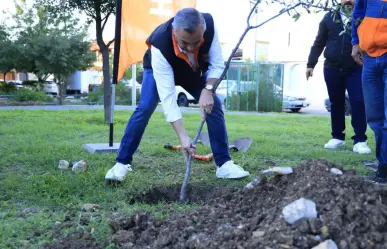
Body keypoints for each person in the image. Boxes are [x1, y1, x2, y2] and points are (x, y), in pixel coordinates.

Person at [105, 8, 250, 182]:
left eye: (196, 43)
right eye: (184, 43)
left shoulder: (209, 25)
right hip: (158, 69)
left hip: (189, 70)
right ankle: (121, 163)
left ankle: (224, 165)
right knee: (146, 106)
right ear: (174, 31)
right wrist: (183, 137)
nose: (190, 48)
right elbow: (168, 98)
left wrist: (208, 90)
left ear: (202, 31)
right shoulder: (159, 44)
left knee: (215, 105)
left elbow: (217, 64)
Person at [306, 0, 371, 155]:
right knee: (336, 103)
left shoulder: (363, 17)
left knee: (358, 102)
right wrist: (310, 64)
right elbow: (319, 42)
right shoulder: (329, 17)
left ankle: (360, 140)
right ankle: (337, 137)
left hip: (356, 68)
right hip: (332, 68)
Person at [351, 0, 387, 183]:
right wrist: (355, 42)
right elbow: (358, 13)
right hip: (371, 59)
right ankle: (383, 164)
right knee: (374, 118)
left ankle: (384, 169)